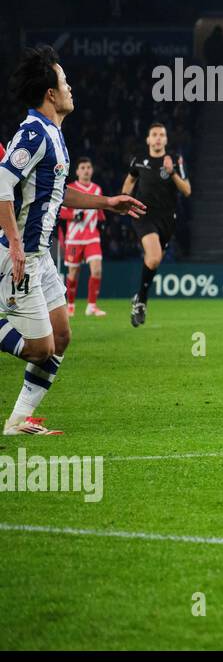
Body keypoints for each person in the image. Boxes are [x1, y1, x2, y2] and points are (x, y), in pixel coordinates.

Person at [0, 45, 145, 435]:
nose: (70, 87)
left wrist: (106, 203)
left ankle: (17, 421)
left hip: (41, 255)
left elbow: (57, 192)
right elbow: (2, 182)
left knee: (61, 336)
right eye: (64, 81)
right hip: (19, 255)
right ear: (50, 93)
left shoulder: (54, 135)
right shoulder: (33, 132)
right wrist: (14, 241)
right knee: (39, 348)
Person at [122, 123, 192, 327]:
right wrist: (124, 200)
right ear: (148, 139)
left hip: (167, 219)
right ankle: (142, 302)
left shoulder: (175, 161)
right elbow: (130, 181)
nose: (158, 138)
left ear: (166, 139)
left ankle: (139, 298)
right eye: (154, 135)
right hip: (143, 214)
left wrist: (172, 173)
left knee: (155, 261)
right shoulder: (139, 160)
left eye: (162, 134)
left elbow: (187, 190)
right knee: (153, 258)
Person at [59, 157, 108, 317]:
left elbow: (99, 209)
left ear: (92, 170)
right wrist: (73, 214)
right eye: (83, 167)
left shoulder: (97, 189)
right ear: (77, 171)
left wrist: (102, 221)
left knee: (97, 270)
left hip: (92, 236)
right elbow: (60, 211)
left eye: (88, 167)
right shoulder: (71, 188)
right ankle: (70, 306)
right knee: (73, 273)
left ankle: (91, 306)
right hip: (74, 238)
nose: (86, 170)